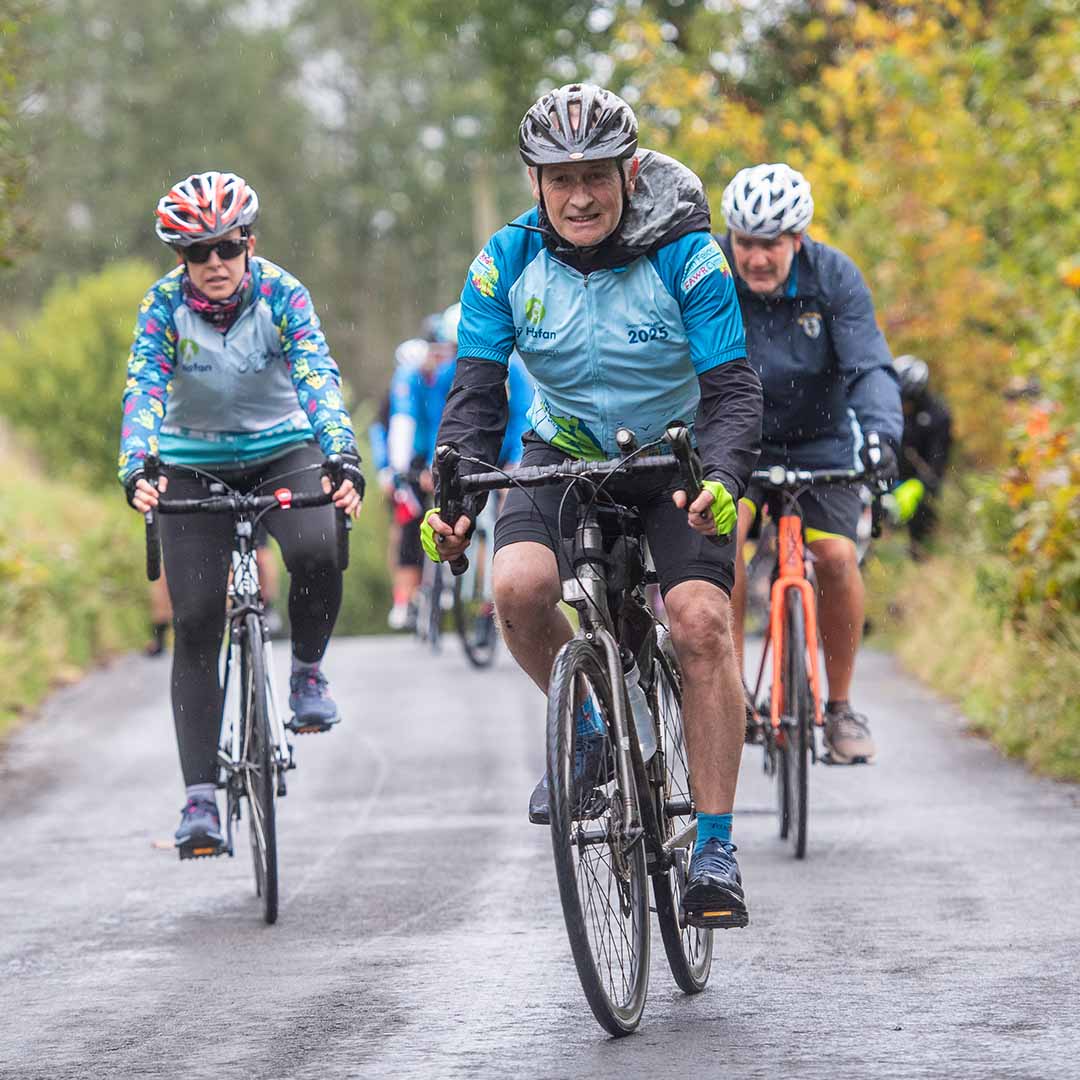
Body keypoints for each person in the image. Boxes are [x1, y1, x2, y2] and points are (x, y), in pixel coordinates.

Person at [422, 84, 762, 923]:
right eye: (559, 177)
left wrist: (722, 479)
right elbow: (473, 395)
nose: (580, 196)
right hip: (566, 454)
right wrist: (454, 493)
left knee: (699, 625)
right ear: (534, 182)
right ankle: (589, 735)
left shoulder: (688, 256)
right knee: (517, 590)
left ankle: (713, 848)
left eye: (598, 176)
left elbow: (732, 388)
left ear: (630, 171)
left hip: (673, 457)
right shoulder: (505, 260)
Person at [119, 170, 363, 857]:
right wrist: (136, 464)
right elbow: (143, 386)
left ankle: (308, 673)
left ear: (248, 243)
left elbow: (316, 372)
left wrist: (341, 455)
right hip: (191, 458)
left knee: (316, 543)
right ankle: (199, 799)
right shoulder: (162, 307)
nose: (216, 265)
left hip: (282, 447)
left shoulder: (284, 294)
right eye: (199, 253)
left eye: (228, 248)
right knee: (196, 618)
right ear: (181, 259)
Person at [718, 162, 902, 765]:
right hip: (737, 440)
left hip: (820, 441)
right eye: (745, 242)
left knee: (838, 556)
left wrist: (880, 436)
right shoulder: (711, 271)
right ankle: (733, 697)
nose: (757, 258)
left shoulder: (834, 276)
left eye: (770, 244)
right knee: (725, 538)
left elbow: (868, 365)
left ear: (798, 238)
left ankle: (839, 707)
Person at [889, 355, 952, 559]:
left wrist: (928, 482)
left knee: (919, 512)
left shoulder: (937, 416)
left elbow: (938, 456)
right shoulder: (893, 412)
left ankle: (919, 551)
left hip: (919, 479)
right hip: (890, 474)